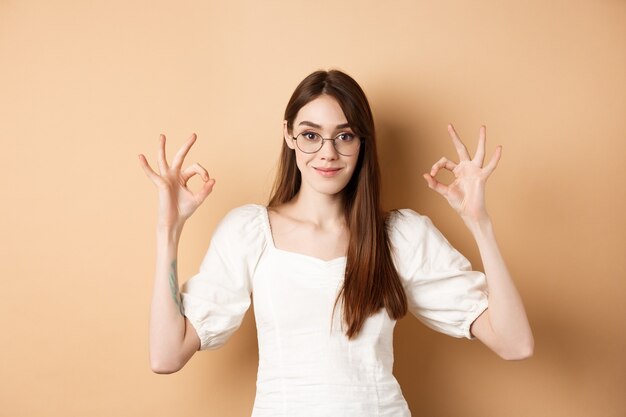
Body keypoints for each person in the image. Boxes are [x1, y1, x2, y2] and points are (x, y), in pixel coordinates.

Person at [138, 69, 533, 416]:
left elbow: (514, 343)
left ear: (362, 143)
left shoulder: (400, 236)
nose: (327, 153)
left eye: (344, 135)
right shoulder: (249, 232)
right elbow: (166, 355)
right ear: (289, 136)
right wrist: (167, 230)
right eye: (311, 135)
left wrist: (480, 223)